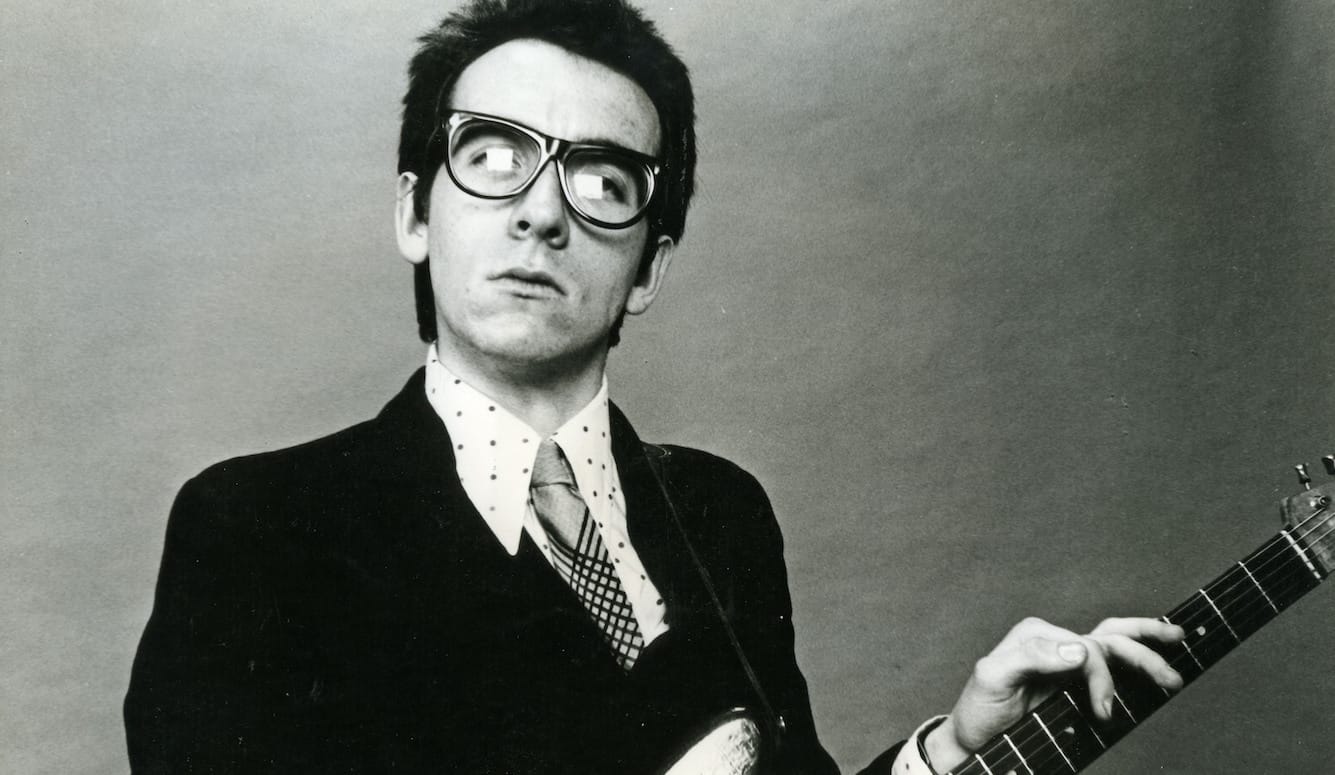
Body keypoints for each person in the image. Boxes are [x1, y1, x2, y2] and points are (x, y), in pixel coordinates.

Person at [124, 1, 1184, 772]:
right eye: (493, 156)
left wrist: (953, 748)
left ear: (650, 266)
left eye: (601, 179)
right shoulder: (258, 527)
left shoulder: (719, 514)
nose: (543, 213)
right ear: (414, 212)